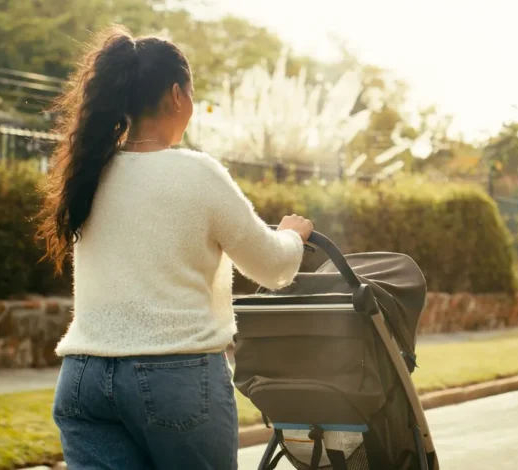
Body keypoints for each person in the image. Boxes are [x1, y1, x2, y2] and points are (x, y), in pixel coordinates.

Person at [36, 25, 313, 470]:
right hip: (174, 378)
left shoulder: (88, 173)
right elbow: (273, 267)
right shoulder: (196, 173)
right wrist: (291, 236)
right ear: (177, 95)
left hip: (82, 379)